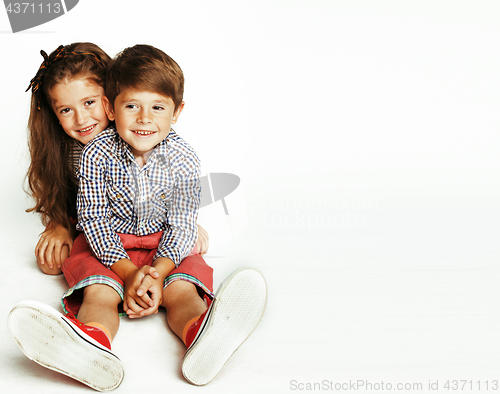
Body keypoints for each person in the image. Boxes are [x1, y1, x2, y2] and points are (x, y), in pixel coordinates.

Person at [9, 44, 267, 392]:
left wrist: (159, 272)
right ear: (115, 108)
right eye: (132, 106)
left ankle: (202, 331)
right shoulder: (96, 154)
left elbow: (179, 224)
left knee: (182, 288)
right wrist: (128, 273)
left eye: (157, 108)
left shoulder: (184, 157)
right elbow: (95, 220)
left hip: (164, 244)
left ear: (176, 112)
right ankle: (91, 345)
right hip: (110, 245)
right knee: (99, 293)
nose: (144, 118)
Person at [23, 42, 210, 275]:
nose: (81, 120)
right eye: (66, 110)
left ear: (110, 101)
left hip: (145, 225)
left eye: (89, 102)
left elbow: (167, 184)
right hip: (94, 223)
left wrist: (184, 226)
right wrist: (59, 224)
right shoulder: (63, 148)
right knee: (51, 263)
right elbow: (69, 199)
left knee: (188, 246)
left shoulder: (140, 135)